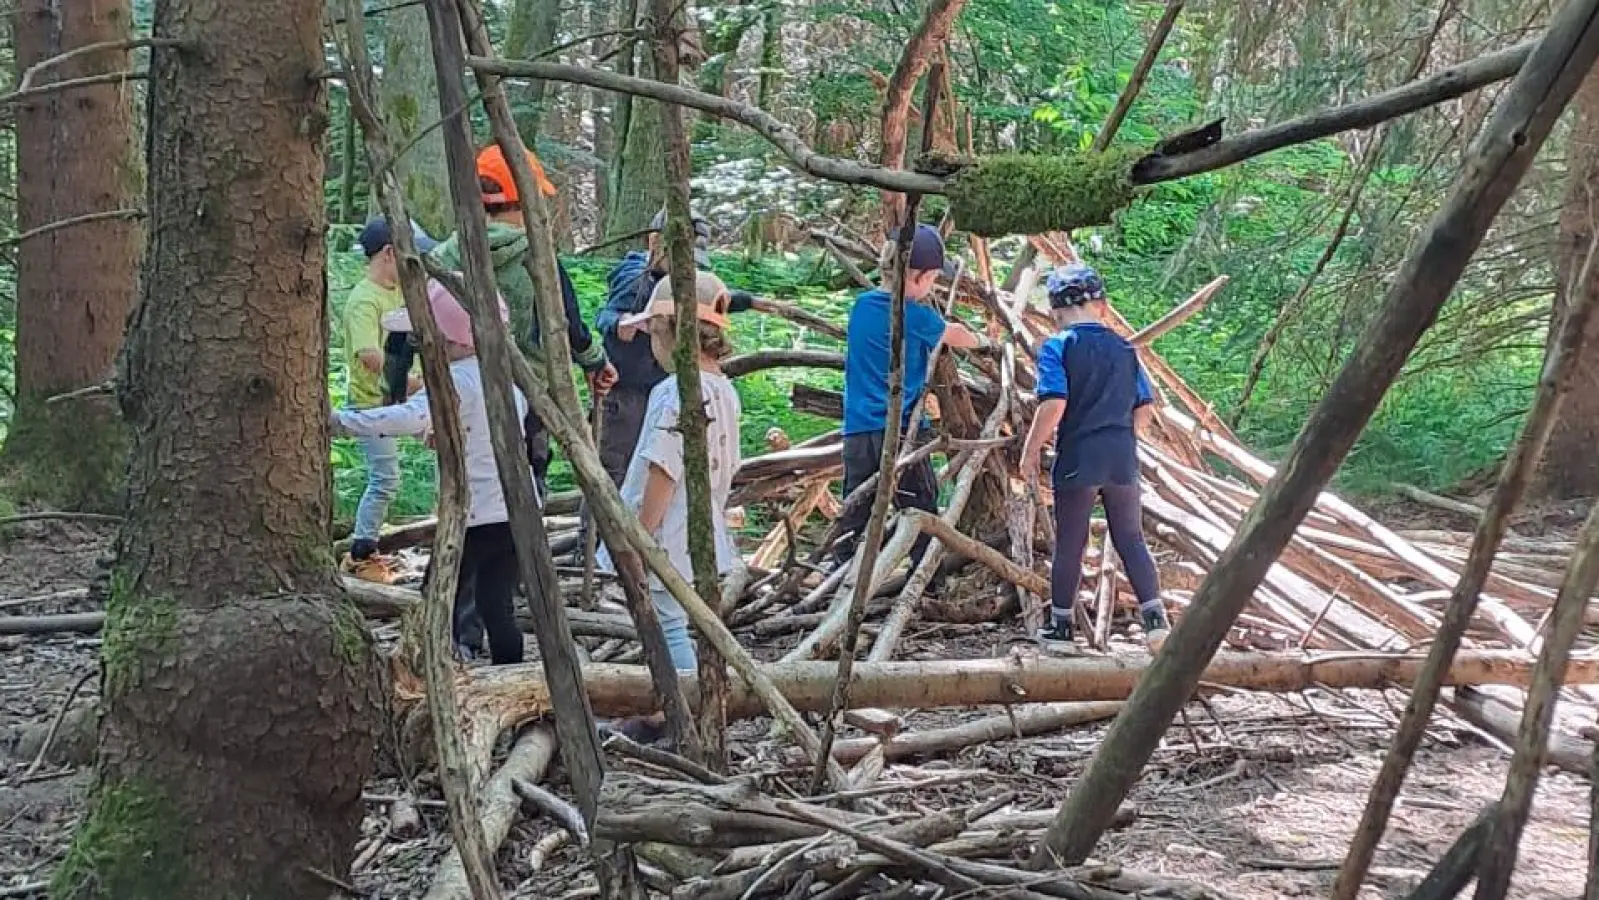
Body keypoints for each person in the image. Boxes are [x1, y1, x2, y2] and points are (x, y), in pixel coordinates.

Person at [333, 279, 530, 665]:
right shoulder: (501, 376)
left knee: (439, 596)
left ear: (452, 339)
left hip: (472, 515)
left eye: (427, 338)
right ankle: (510, 670)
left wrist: (340, 422)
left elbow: (407, 417)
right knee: (496, 601)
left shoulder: (455, 380)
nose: (421, 347)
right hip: (512, 511)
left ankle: (432, 669)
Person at [597, 271, 742, 742]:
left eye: (654, 334)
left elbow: (663, 467)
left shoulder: (674, 392)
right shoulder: (725, 390)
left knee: (667, 624)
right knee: (675, 618)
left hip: (668, 528)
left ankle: (679, 712)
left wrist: (640, 533)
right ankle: (673, 706)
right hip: (699, 525)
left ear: (670, 334)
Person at [431, 144, 617, 496]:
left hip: (459, 395)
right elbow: (570, 325)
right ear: (525, 201)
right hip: (527, 395)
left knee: (463, 485)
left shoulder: (443, 257)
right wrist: (596, 362)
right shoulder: (539, 259)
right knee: (526, 486)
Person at [1019, 263, 1172, 653]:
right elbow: (1144, 409)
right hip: (1121, 457)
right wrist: (1120, 436)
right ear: (1101, 305)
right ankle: (1155, 621)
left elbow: (1054, 402)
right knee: (1131, 537)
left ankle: (1062, 629)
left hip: (1078, 457)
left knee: (1071, 541)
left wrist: (1031, 449)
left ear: (1054, 310)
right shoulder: (1124, 349)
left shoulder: (1058, 346)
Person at [835, 224, 984, 564]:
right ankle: (925, 576)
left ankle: (840, 566)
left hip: (858, 429)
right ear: (920, 277)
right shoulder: (915, 315)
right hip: (902, 430)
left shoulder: (861, 306)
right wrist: (986, 343)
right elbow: (956, 334)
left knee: (857, 504)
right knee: (919, 505)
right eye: (933, 279)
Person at [595, 207, 755, 486]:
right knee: (615, 471)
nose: (687, 269)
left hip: (662, 386)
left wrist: (751, 301)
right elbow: (605, 315)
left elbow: (709, 298)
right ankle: (599, 530)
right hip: (627, 395)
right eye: (680, 260)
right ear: (655, 243)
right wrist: (621, 323)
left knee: (658, 463)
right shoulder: (635, 279)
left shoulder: (681, 282)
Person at [340, 216, 435, 583]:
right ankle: (361, 553)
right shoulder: (364, 301)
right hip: (373, 405)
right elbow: (369, 355)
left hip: (401, 401)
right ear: (389, 253)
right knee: (385, 478)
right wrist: (416, 384)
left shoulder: (398, 292)